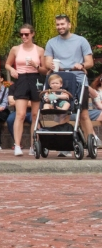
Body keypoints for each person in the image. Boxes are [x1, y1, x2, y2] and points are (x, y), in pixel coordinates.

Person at [43, 14, 95, 148]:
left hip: (77, 79)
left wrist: (82, 65)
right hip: (59, 80)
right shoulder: (51, 42)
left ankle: (92, 142)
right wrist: (52, 66)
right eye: (58, 24)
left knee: (83, 113)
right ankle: (63, 145)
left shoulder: (81, 41)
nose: (60, 27)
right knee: (62, 112)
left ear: (69, 25)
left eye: (62, 24)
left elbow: (89, 62)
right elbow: (47, 61)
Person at [5, 23, 44, 157]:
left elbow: (45, 70)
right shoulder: (16, 49)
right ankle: (17, 144)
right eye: (21, 34)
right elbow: (7, 64)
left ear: (32, 34)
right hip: (21, 78)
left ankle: (34, 145)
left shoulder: (39, 50)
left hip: (35, 78)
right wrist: (12, 70)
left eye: (26, 34)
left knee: (35, 115)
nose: (24, 36)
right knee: (20, 114)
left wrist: (36, 65)